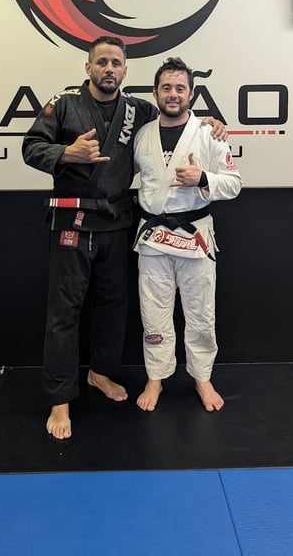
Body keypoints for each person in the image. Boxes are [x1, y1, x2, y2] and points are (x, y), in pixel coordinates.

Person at [22, 36, 228, 440]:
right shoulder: (64, 103)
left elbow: (176, 118)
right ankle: (60, 398)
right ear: (88, 68)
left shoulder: (138, 110)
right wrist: (66, 154)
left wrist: (211, 124)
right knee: (64, 312)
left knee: (113, 306)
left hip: (117, 222)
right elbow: (31, 147)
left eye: (116, 63)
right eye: (102, 62)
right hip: (72, 219)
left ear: (125, 71)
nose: (109, 69)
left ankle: (100, 373)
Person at [133, 56, 242, 413]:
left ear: (191, 94)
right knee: (153, 311)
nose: (173, 94)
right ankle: (155, 376)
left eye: (180, 88)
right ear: (155, 92)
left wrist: (203, 178)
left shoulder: (209, 133)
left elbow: (234, 183)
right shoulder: (142, 135)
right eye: (166, 87)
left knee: (200, 311)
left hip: (195, 236)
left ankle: (202, 377)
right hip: (154, 237)